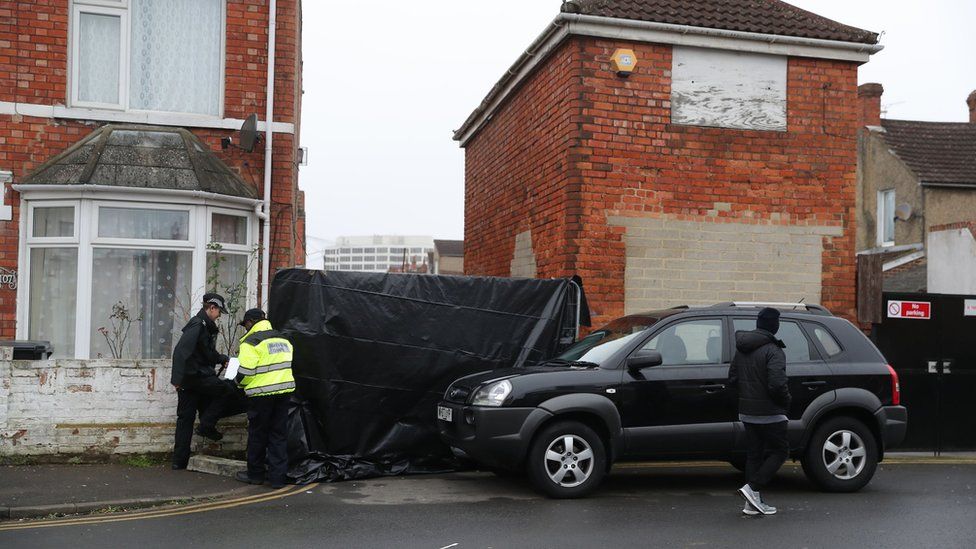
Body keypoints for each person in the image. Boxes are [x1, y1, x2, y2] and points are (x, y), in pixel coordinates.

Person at [728, 307, 792, 516]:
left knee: (754, 455)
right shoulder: (774, 350)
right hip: (771, 411)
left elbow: (733, 379)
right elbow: (777, 385)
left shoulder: (742, 348)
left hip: (747, 411)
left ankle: (751, 504)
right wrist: (786, 402)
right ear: (774, 325)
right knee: (780, 452)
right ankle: (752, 488)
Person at [171, 293, 236, 470]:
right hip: (195, 378)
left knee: (185, 420)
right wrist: (176, 380)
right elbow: (180, 352)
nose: (220, 315)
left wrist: (222, 358)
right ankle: (207, 424)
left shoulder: (204, 326)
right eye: (219, 311)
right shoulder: (198, 325)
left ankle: (179, 462)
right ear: (212, 308)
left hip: (191, 380)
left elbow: (207, 353)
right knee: (228, 389)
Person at [234, 308, 295, 489]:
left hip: (261, 395)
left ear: (251, 322)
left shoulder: (250, 342)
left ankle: (255, 475)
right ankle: (278, 478)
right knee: (278, 435)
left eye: (245, 324)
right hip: (284, 393)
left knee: (258, 435)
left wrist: (237, 383)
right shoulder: (283, 339)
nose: (245, 328)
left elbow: (246, 373)